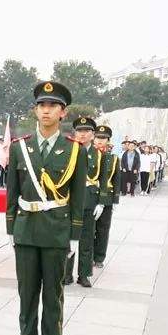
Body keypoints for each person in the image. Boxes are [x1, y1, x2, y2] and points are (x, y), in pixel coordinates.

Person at [7, 81, 87, 335]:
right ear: (35, 110)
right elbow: (11, 192)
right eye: (42, 105)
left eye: (52, 105)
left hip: (56, 231)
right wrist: (11, 229)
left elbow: (78, 196)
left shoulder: (74, 150)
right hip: (27, 230)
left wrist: (75, 235)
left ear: (63, 113)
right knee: (27, 293)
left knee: (52, 294)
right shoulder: (20, 148)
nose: (46, 110)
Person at [63, 116, 109, 288]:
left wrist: (102, 202)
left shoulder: (100, 155)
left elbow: (104, 179)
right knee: (68, 238)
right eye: (79, 131)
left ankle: (84, 274)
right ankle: (66, 274)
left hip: (90, 200)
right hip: (70, 200)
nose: (82, 134)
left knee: (87, 239)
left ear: (92, 134)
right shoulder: (69, 151)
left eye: (86, 131)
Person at [92, 125, 119, 268]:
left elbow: (116, 180)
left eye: (103, 138)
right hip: (90, 196)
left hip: (107, 197)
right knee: (89, 230)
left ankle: (99, 257)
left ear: (108, 140)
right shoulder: (87, 154)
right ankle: (89, 256)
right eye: (97, 137)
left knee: (103, 229)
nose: (100, 141)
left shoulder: (113, 158)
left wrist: (115, 200)